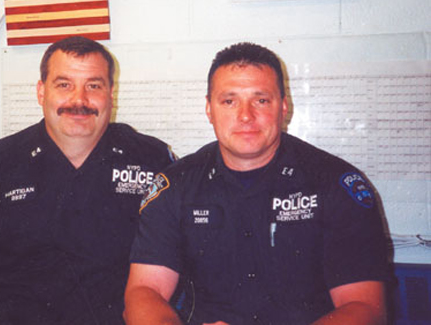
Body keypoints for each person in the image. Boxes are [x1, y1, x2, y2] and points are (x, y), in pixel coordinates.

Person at [0, 36, 175, 325]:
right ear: (41, 91)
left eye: (93, 86)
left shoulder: (151, 159)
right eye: (64, 84)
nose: (79, 100)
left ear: (111, 93)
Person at [124, 42, 391, 325]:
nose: (246, 115)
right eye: (229, 101)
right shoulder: (176, 186)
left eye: (261, 100)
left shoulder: (333, 184)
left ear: (284, 107)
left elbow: (365, 307)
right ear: (209, 109)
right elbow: (145, 290)